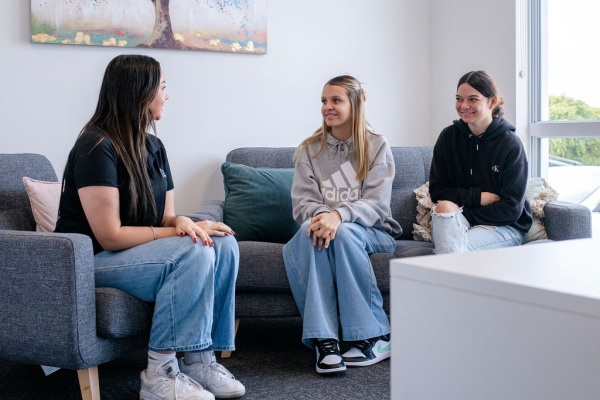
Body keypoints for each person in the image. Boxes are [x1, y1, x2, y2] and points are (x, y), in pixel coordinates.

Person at [54, 54, 245, 400]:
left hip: (133, 254)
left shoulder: (154, 147)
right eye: (163, 87)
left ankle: (199, 359)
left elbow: (165, 218)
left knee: (223, 242)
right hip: (89, 261)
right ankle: (160, 374)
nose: (167, 95)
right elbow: (109, 235)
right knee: (192, 250)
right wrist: (179, 234)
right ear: (139, 92)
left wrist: (185, 222)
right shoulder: (95, 147)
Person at [282, 75, 401, 375]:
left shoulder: (377, 146)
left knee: (343, 234)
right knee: (312, 233)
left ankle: (375, 336)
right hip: (325, 226)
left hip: (374, 231)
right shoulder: (309, 150)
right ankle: (326, 340)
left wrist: (339, 217)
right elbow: (302, 203)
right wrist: (325, 219)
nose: (327, 107)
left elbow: (377, 204)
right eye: (324, 101)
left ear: (355, 104)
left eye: (335, 100)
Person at [428, 70, 532, 254]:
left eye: (473, 99)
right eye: (459, 98)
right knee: (444, 207)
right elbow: (437, 190)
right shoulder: (448, 137)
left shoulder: (510, 144)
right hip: (459, 219)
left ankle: (445, 274)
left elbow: (511, 209)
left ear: (492, 102)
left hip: (503, 226)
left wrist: (464, 210)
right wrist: (479, 198)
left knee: (454, 249)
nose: (464, 105)